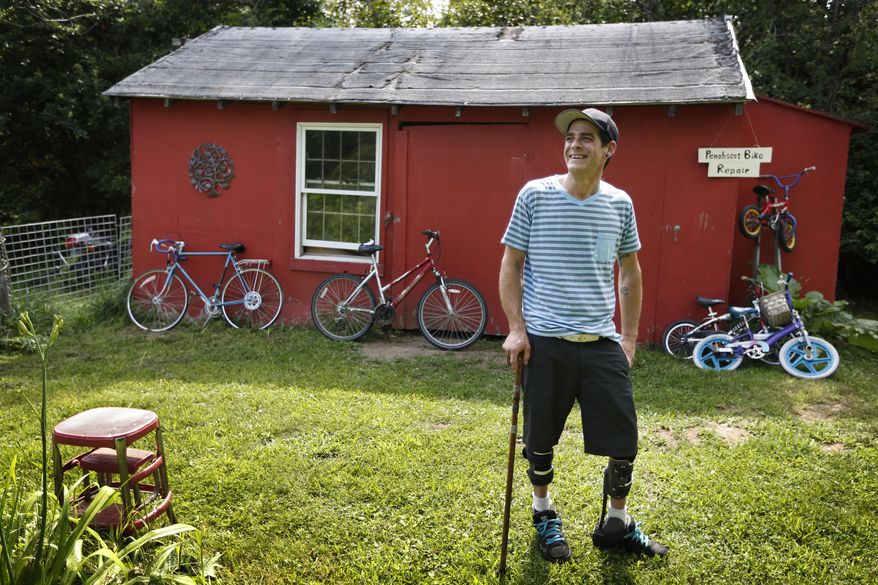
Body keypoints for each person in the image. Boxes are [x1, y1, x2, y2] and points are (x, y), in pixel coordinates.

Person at [498, 108, 668, 562]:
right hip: (545, 341)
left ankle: (616, 523)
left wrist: (628, 339)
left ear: (608, 149)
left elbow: (629, 270)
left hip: (601, 343)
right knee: (539, 438)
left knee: (623, 440)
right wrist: (517, 329)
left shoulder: (620, 204)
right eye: (570, 137)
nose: (575, 144)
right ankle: (544, 515)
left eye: (587, 137)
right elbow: (511, 265)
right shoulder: (535, 195)